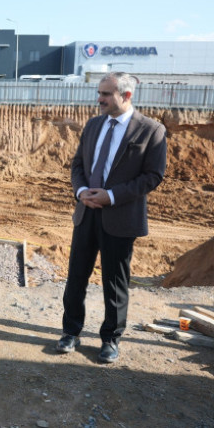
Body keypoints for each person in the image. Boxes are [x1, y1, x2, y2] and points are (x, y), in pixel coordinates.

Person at [55, 71, 167, 363]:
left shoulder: (151, 130)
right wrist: (81, 191)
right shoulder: (93, 125)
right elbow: (78, 164)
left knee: (114, 282)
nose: (100, 99)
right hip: (86, 212)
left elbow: (153, 176)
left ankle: (111, 339)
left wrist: (112, 196)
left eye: (106, 94)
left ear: (126, 95)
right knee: (76, 276)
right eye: (100, 93)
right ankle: (70, 332)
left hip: (120, 218)